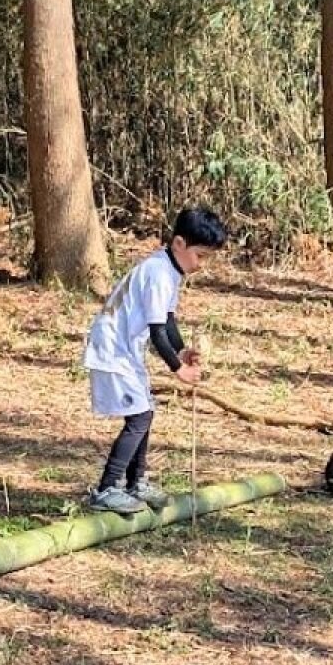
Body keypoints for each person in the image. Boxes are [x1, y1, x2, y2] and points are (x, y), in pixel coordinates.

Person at [83, 206, 229, 514]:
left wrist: (181, 351)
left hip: (125, 349)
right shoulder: (159, 273)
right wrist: (178, 369)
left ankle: (137, 482)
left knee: (144, 411)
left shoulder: (169, 271)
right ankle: (107, 488)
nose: (201, 265)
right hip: (112, 349)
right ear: (179, 244)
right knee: (140, 417)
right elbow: (157, 331)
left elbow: (168, 322)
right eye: (200, 256)